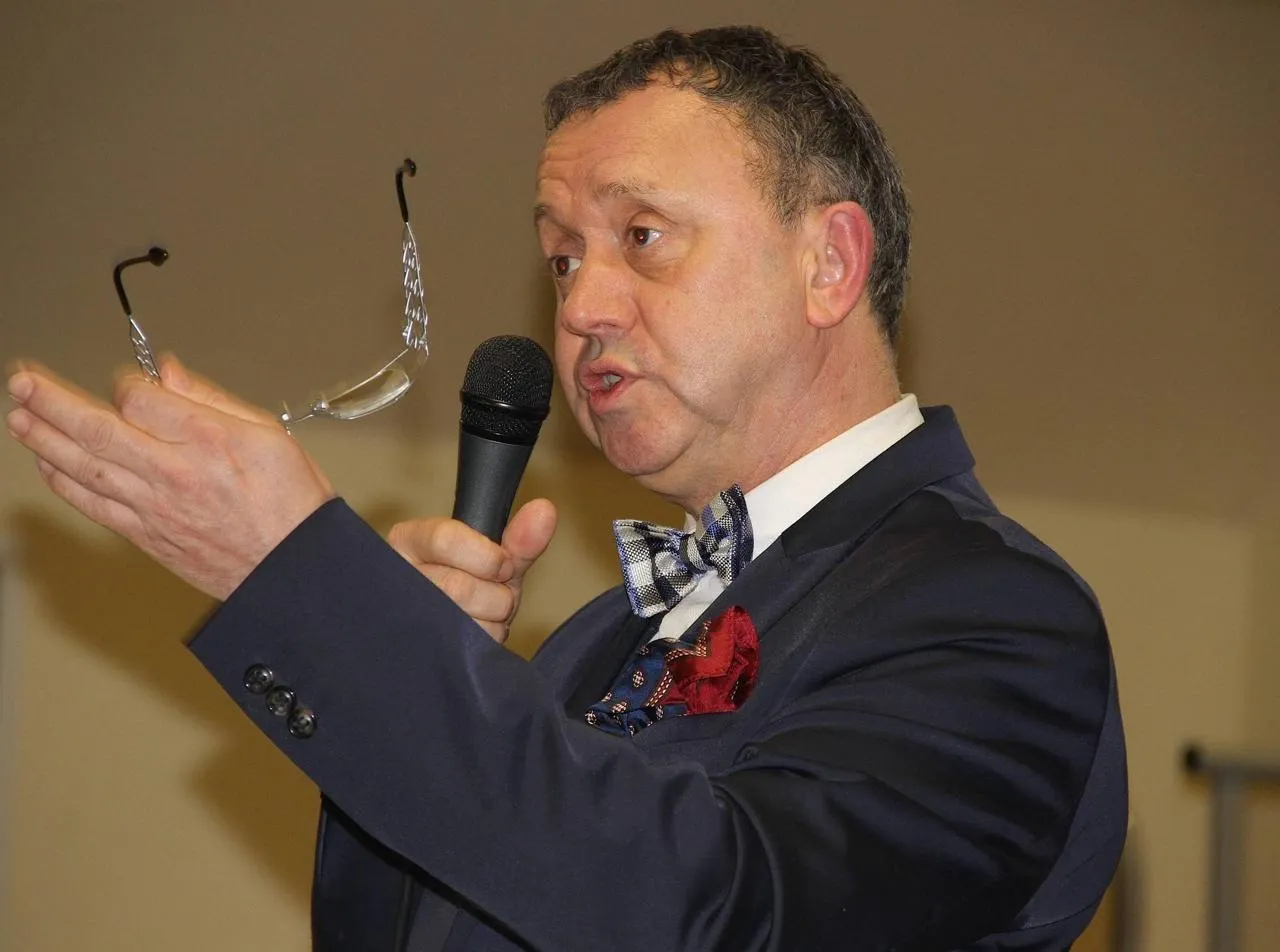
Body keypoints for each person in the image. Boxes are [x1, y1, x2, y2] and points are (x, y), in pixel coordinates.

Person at [5, 25, 1125, 952]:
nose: (580, 304)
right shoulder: (590, 642)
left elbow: (726, 913)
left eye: (642, 236)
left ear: (828, 263)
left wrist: (324, 598)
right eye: (562, 258)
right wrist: (414, 655)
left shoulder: (986, 606)